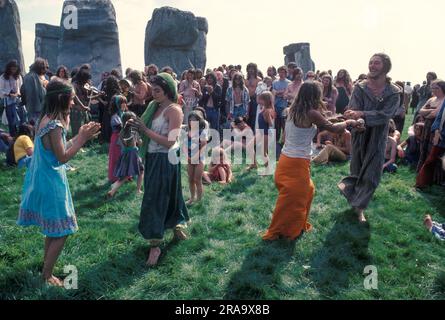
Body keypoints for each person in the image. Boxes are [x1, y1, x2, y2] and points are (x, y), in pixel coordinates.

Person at [17, 78, 100, 286]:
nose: (73, 103)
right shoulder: (54, 125)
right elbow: (63, 158)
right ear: (63, 99)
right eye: (71, 100)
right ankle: (47, 275)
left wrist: (79, 135)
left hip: (46, 179)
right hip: (51, 183)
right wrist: (82, 138)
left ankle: (46, 268)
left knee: (52, 229)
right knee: (63, 231)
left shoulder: (46, 119)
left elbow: (58, 151)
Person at [262, 82, 361, 241]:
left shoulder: (292, 110)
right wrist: (349, 123)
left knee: (308, 191)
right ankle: (285, 232)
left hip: (286, 161)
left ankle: (295, 225)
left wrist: (338, 117)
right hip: (296, 164)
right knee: (294, 200)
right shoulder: (311, 113)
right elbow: (333, 128)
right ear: (315, 95)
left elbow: (323, 120)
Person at [128, 73, 189, 267]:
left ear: (168, 90)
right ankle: (176, 224)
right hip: (154, 157)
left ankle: (155, 244)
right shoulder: (153, 107)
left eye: (157, 90)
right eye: (152, 90)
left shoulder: (174, 110)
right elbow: (148, 133)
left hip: (167, 158)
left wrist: (145, 131)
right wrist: (136, 129)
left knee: (157, 198)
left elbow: (171, 142)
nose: (153, 94)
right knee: (165, 195)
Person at [339, 53, 401, 223]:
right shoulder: (360, 87)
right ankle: (351, 194)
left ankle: (359, 209)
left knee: (372, 174)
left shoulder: (394, 92)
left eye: (377, 63)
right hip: (360, 134)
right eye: (371, 62)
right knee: (357, 170)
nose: (372, 66)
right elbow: (353, 109)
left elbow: (385, 115)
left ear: (386, 67)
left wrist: (362, 114)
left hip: (379, 137)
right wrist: (357, 118)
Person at [107, 111, 144, 197]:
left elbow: (122, 143)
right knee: (141, 171)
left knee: (126, 175)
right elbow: (140, 142)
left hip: (125, 153)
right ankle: (138, 190)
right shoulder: (134, 132)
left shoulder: (122, 132)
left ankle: (113, 189)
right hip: (133, 153)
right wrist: (141, 139)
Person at [415, 80, 445, 187]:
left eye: (436, 88)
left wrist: (427, 113)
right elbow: (420, 111)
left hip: (438, 130)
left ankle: (435, 178)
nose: (433, 90)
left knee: (433, 153)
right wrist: (428, 112)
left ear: (442, 88)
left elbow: (436, 114)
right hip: (427, 127)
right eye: (432, 88)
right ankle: (421, 172)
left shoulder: (444, 100)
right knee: (423, 148)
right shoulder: (431, 99)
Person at [184, 111, 208, 204]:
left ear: (199, 121)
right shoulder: (187, 131)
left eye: (194, 120)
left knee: (197, 180)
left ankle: (199, 200)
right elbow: (184, 145)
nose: (191, 122)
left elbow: (203, 146)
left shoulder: (202, 132)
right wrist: (187, 156)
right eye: (190, 120)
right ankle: (191, 198)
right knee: (190, 179)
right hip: (190, 158)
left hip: (199, 159)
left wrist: (195, 156)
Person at [0, 60, 23, 136]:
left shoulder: (18, 77)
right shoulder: (3, 77)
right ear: (9, 68)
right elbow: (1, 90)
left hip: (18, 100)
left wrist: (18, 93)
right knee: (11, 121)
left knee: (20, 119)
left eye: (15, 69)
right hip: (8, 101)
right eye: (12, 68)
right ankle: (13, 136)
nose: (14, 70)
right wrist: (9, 94)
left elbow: (21, 88)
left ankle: (21, 135)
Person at [108, 95, 128, 183]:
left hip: (124, 138)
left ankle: (125, 175)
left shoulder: (123, 114)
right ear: (117, 105)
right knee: (117, 157)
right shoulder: (115, 117)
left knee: (125, 156)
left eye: (125, 102)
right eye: (122, 103)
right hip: (117, 139)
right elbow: (120, 129)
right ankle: (115, 177)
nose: (124, 105)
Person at [23, 58, 48, 123]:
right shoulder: (32, 77)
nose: (45, 70)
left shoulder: (31, 76)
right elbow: (39, 94)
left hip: (36, 107)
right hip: (36, 108)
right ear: (38, 68)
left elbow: (22, 90)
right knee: (36, 128)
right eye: (43, 68)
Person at [256, 91, 276, 173]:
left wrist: (268, 117)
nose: (259, 101)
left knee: (263, 153)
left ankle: (268, 169)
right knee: (251, 146)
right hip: (262, 132)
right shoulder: (265, 108)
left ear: (266, 100)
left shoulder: (268, 111)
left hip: (266, 133)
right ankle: (254, 164)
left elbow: (271, 124)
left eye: (261, 99)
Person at [272, 66, 291, 143]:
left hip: (284, 107)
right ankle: (276, 142)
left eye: (283, 72)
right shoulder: (275, 82)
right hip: (276, 106)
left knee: (285, 125)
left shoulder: (289, 83)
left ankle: (285, 142)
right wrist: (281, 92)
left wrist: (278, 93)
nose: (281, 74)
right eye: (280, 72)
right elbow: (273, 93)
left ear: (286, 73)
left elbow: (286, 95)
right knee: (276, 126)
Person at [246, 63, 261, 129]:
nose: (251, 70)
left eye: (252, 69)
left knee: (254, 117)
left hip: (255, 100)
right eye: (249, 68)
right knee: (246, 117)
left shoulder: (259, 80)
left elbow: (260, 92)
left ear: (255, 70)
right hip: (246, 101)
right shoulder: (244, 80)